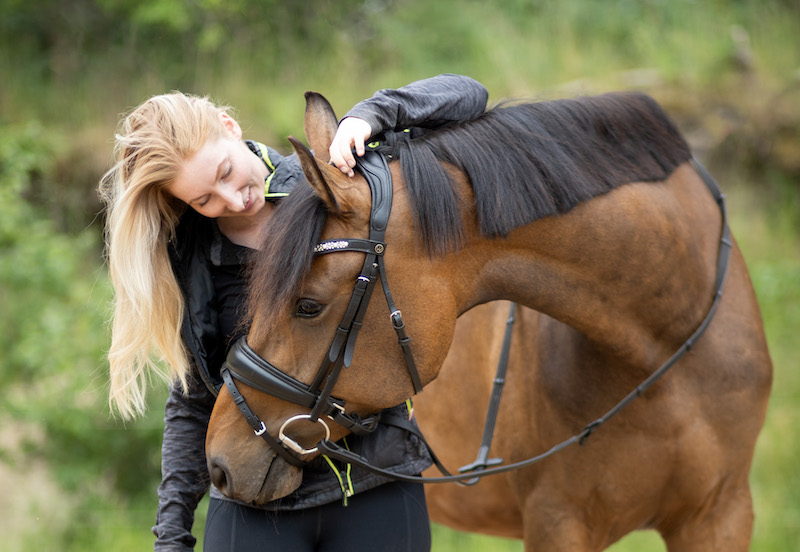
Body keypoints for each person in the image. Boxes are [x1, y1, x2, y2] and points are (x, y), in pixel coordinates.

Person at [99, 74, 488, 551]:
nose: (231, 200)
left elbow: (469, 94)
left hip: (376, 486)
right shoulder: (192, 256)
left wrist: (368, 116)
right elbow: (195, 398)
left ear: (229, 125)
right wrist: (171, 536)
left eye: (224, 173)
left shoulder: (336, 192)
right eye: (203, 200)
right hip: (253, 509)